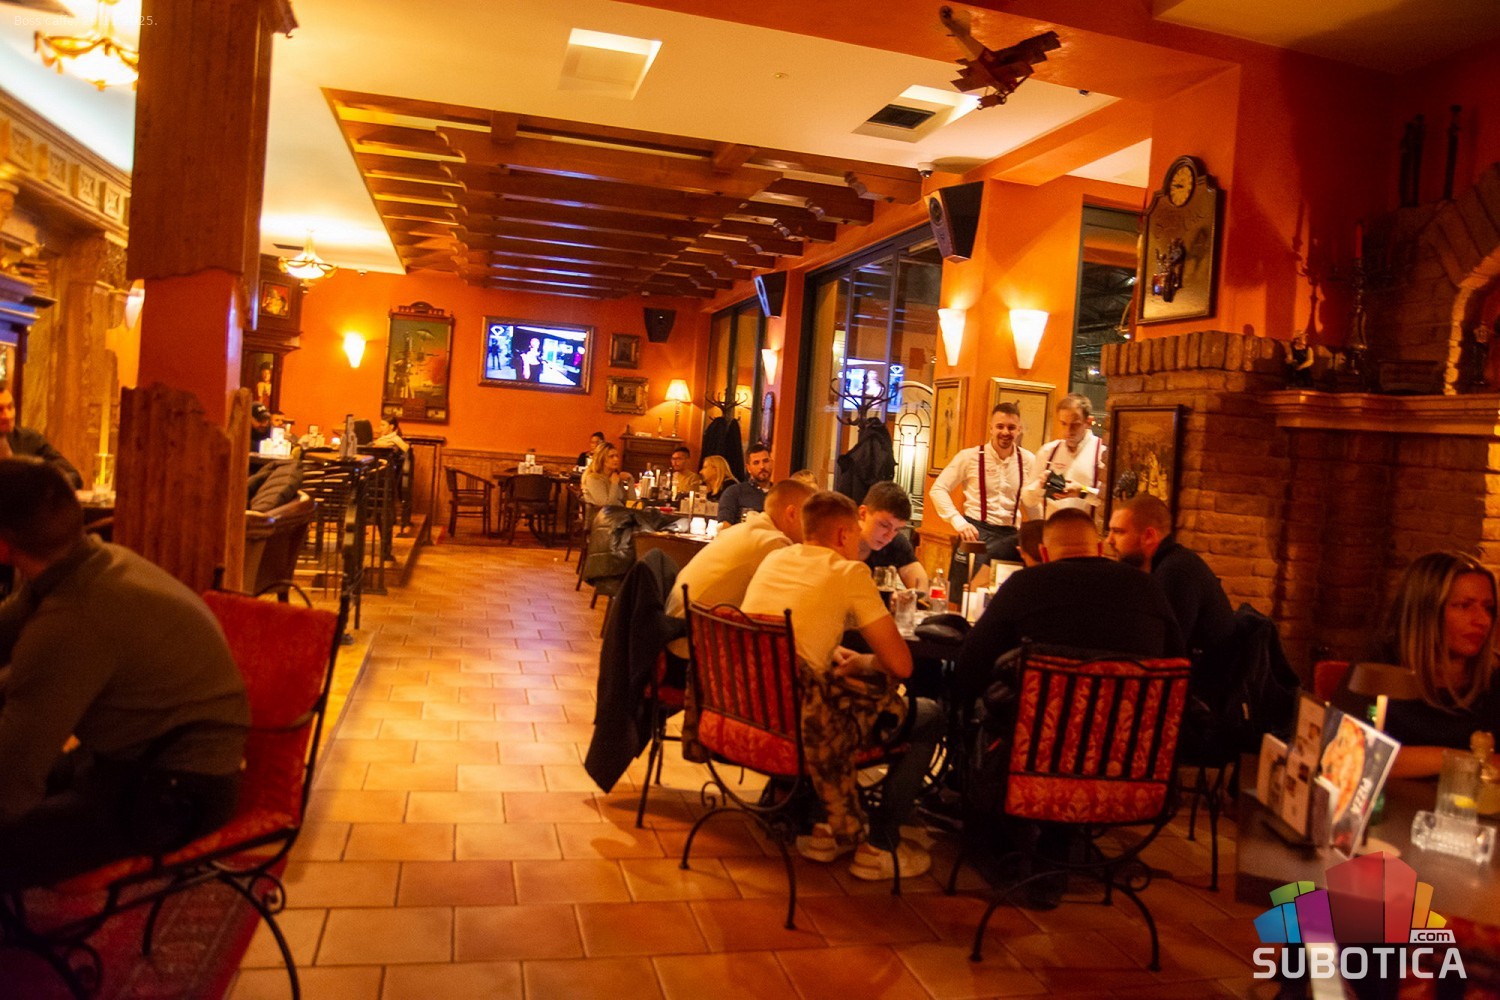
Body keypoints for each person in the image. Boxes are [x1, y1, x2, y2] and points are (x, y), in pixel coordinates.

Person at [0, 458, 249, 890]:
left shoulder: (75, 617)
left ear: (4, 548)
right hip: (135, 761)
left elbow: (12, 778)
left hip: (178, 791)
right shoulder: (90, 562)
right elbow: (11, 636)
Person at [742, 491, 942, 881]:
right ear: (842, 535)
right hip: (805, 726)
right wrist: (865, 662)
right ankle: (880, 845)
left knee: (840, 694)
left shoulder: (775, 558)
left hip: (757, 712)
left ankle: (823, 829)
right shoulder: (849, 572)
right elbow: (901, 665)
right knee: (929, 715)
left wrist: (835, 652)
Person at [955, 508, 1185, 705]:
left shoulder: (1024, 584)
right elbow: (1177, 666)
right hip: (1130, 735)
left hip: (1036, 736)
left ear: (1044, 554)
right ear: (1099, 549)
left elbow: (970, 666)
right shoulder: (1148, 587)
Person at [1341, 552, 1500, 777]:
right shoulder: (1382, 664)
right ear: (1426, 611)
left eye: (1488, 608)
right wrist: (1463, 760)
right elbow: (1352, 755)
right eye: (1464, 606)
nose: (1482, 620)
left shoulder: (1493, 677)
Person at [665, 478, 816, 657]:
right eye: (811, 518)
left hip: (677, 636)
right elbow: (792, 608)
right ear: (791, 514)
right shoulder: (772, 544)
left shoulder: (746, 530)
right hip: (695, 652)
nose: (814, 528)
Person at [1106, 494, 1235, 676]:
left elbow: (1165, 650)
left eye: (1118, 532)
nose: (1109, 540)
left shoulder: (1176, 571)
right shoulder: (1164, 564)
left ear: (1149, 536)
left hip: (1203, 685)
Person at [929, 402, 1038, 588]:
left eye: (1011, 427)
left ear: (1019, 430)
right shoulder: (969, 457)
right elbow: (938, 489)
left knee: (1003, 594)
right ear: (991, 428)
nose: (1005, 432)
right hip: (976, 534)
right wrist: (958, 521)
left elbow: (1031, 502)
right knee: (964, 594)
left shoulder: (1029, 460)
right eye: (1000, 426)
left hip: (1010, 537)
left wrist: (1041, 534)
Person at [1021, 393, 1107, 520]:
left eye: (1075, 424)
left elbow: (1109, 502)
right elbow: (1028, 501)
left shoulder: (1102, 453)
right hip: (1053, 529)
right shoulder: (1048, 451)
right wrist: (1040, 485)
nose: (1068, 431)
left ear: (1088, 422)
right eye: (1064, 424)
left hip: (1088, 530)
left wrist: (1082, 491)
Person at [0, 382, 82, 489]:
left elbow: (72, 475)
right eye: (0, 410)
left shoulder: (29, 440)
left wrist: (40, 487)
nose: (7, 416)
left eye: (10, 407)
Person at [859, 481, 929, 593]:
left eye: (897, 529)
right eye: (884, 525)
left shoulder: (896, 542)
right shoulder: (838, 539)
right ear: (863, 513)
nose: (889, 536)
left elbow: (920, 585)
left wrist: (908, 596)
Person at [717, 443, 772, 524]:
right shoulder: (734, 492)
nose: (762, 466)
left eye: (766, 461)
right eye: (756, 463)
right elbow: (724, 525)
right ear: (748, 468)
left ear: (772, 463)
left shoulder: (780, 493)